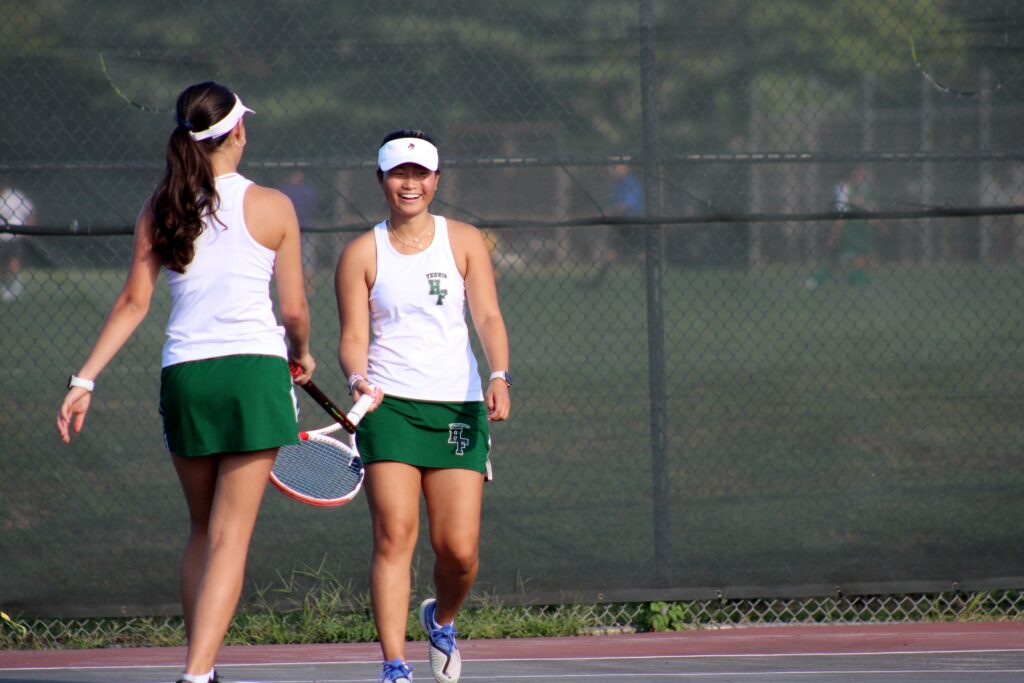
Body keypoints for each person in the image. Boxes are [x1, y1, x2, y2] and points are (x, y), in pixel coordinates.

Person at [55, 81, 314, 683]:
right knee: (229, 538)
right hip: (253, 374)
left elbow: (133, 302)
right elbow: (294, 311)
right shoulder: (274, 205)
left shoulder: (161, 205)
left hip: (186, 378)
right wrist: (302, 353)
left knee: (202, 530)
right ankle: (198, 675)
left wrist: (84, 379)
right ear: (238, 131)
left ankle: (200, 669)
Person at [335, 130, 511, 683]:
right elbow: (352, 337)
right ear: (381, 179)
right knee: (395, 534)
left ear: (436, 180)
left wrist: (499, 374)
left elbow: (487, 315)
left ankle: (441, 618)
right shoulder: (361, 253)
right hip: (389, 408)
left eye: (420, 174)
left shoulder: (464, 241)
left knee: (458, 552)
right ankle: (394, 666)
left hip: (457, 409)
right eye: (398, 173)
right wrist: (358, 379)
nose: (409, 184)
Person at [805, 165, 880, 289]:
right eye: (859, 174)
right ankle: (817, 280)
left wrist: (878, 224)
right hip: (848, 230)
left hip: (861, 231)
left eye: (865, 174)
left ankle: (855, 281)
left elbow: (872, 210)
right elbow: (841, 213)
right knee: (838, 258)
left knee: (860, 258)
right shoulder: (844, 188)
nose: (862, 177)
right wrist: (835, 233)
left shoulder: (866, 190)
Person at [586, 163, 644, 286]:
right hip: (620, 222)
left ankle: (648, 279)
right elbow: (614, 201)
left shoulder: (630, 182)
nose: (615, 170)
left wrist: (614, 209)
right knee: (611, 250)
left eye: (617, 167)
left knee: (640, 252)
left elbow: (628, 203)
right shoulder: (617, 184)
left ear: (625, 168)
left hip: (633, 221)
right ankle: (598, 280)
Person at [0, 178, 36, 302]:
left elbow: (30, 210)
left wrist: (30, 228)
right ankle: (5, 286)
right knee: (2, 264)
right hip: (0, 237)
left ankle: (15, 287)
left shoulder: (15, 196)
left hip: (14, 236)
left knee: (13, 262)